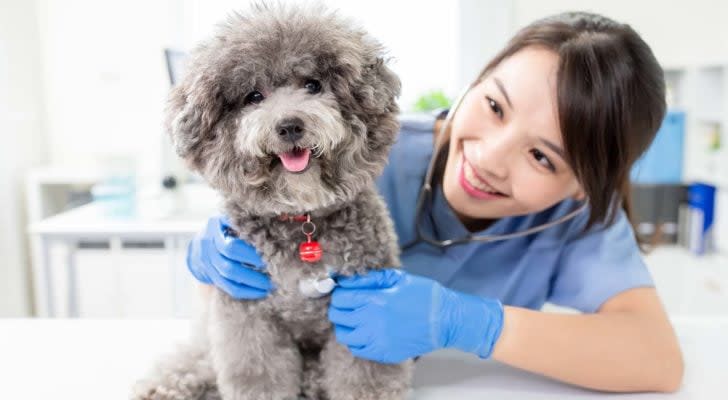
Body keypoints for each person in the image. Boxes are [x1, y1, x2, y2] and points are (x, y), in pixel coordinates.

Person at [186, 11, 683, 392]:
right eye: (494, 106)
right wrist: (217, 269)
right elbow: (248, 310)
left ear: (583, 186)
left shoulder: (580, 218)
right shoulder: (354, 149)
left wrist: (471, 323)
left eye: (541, 156)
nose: (489, 158)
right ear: (476, 80)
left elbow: (657, 360)